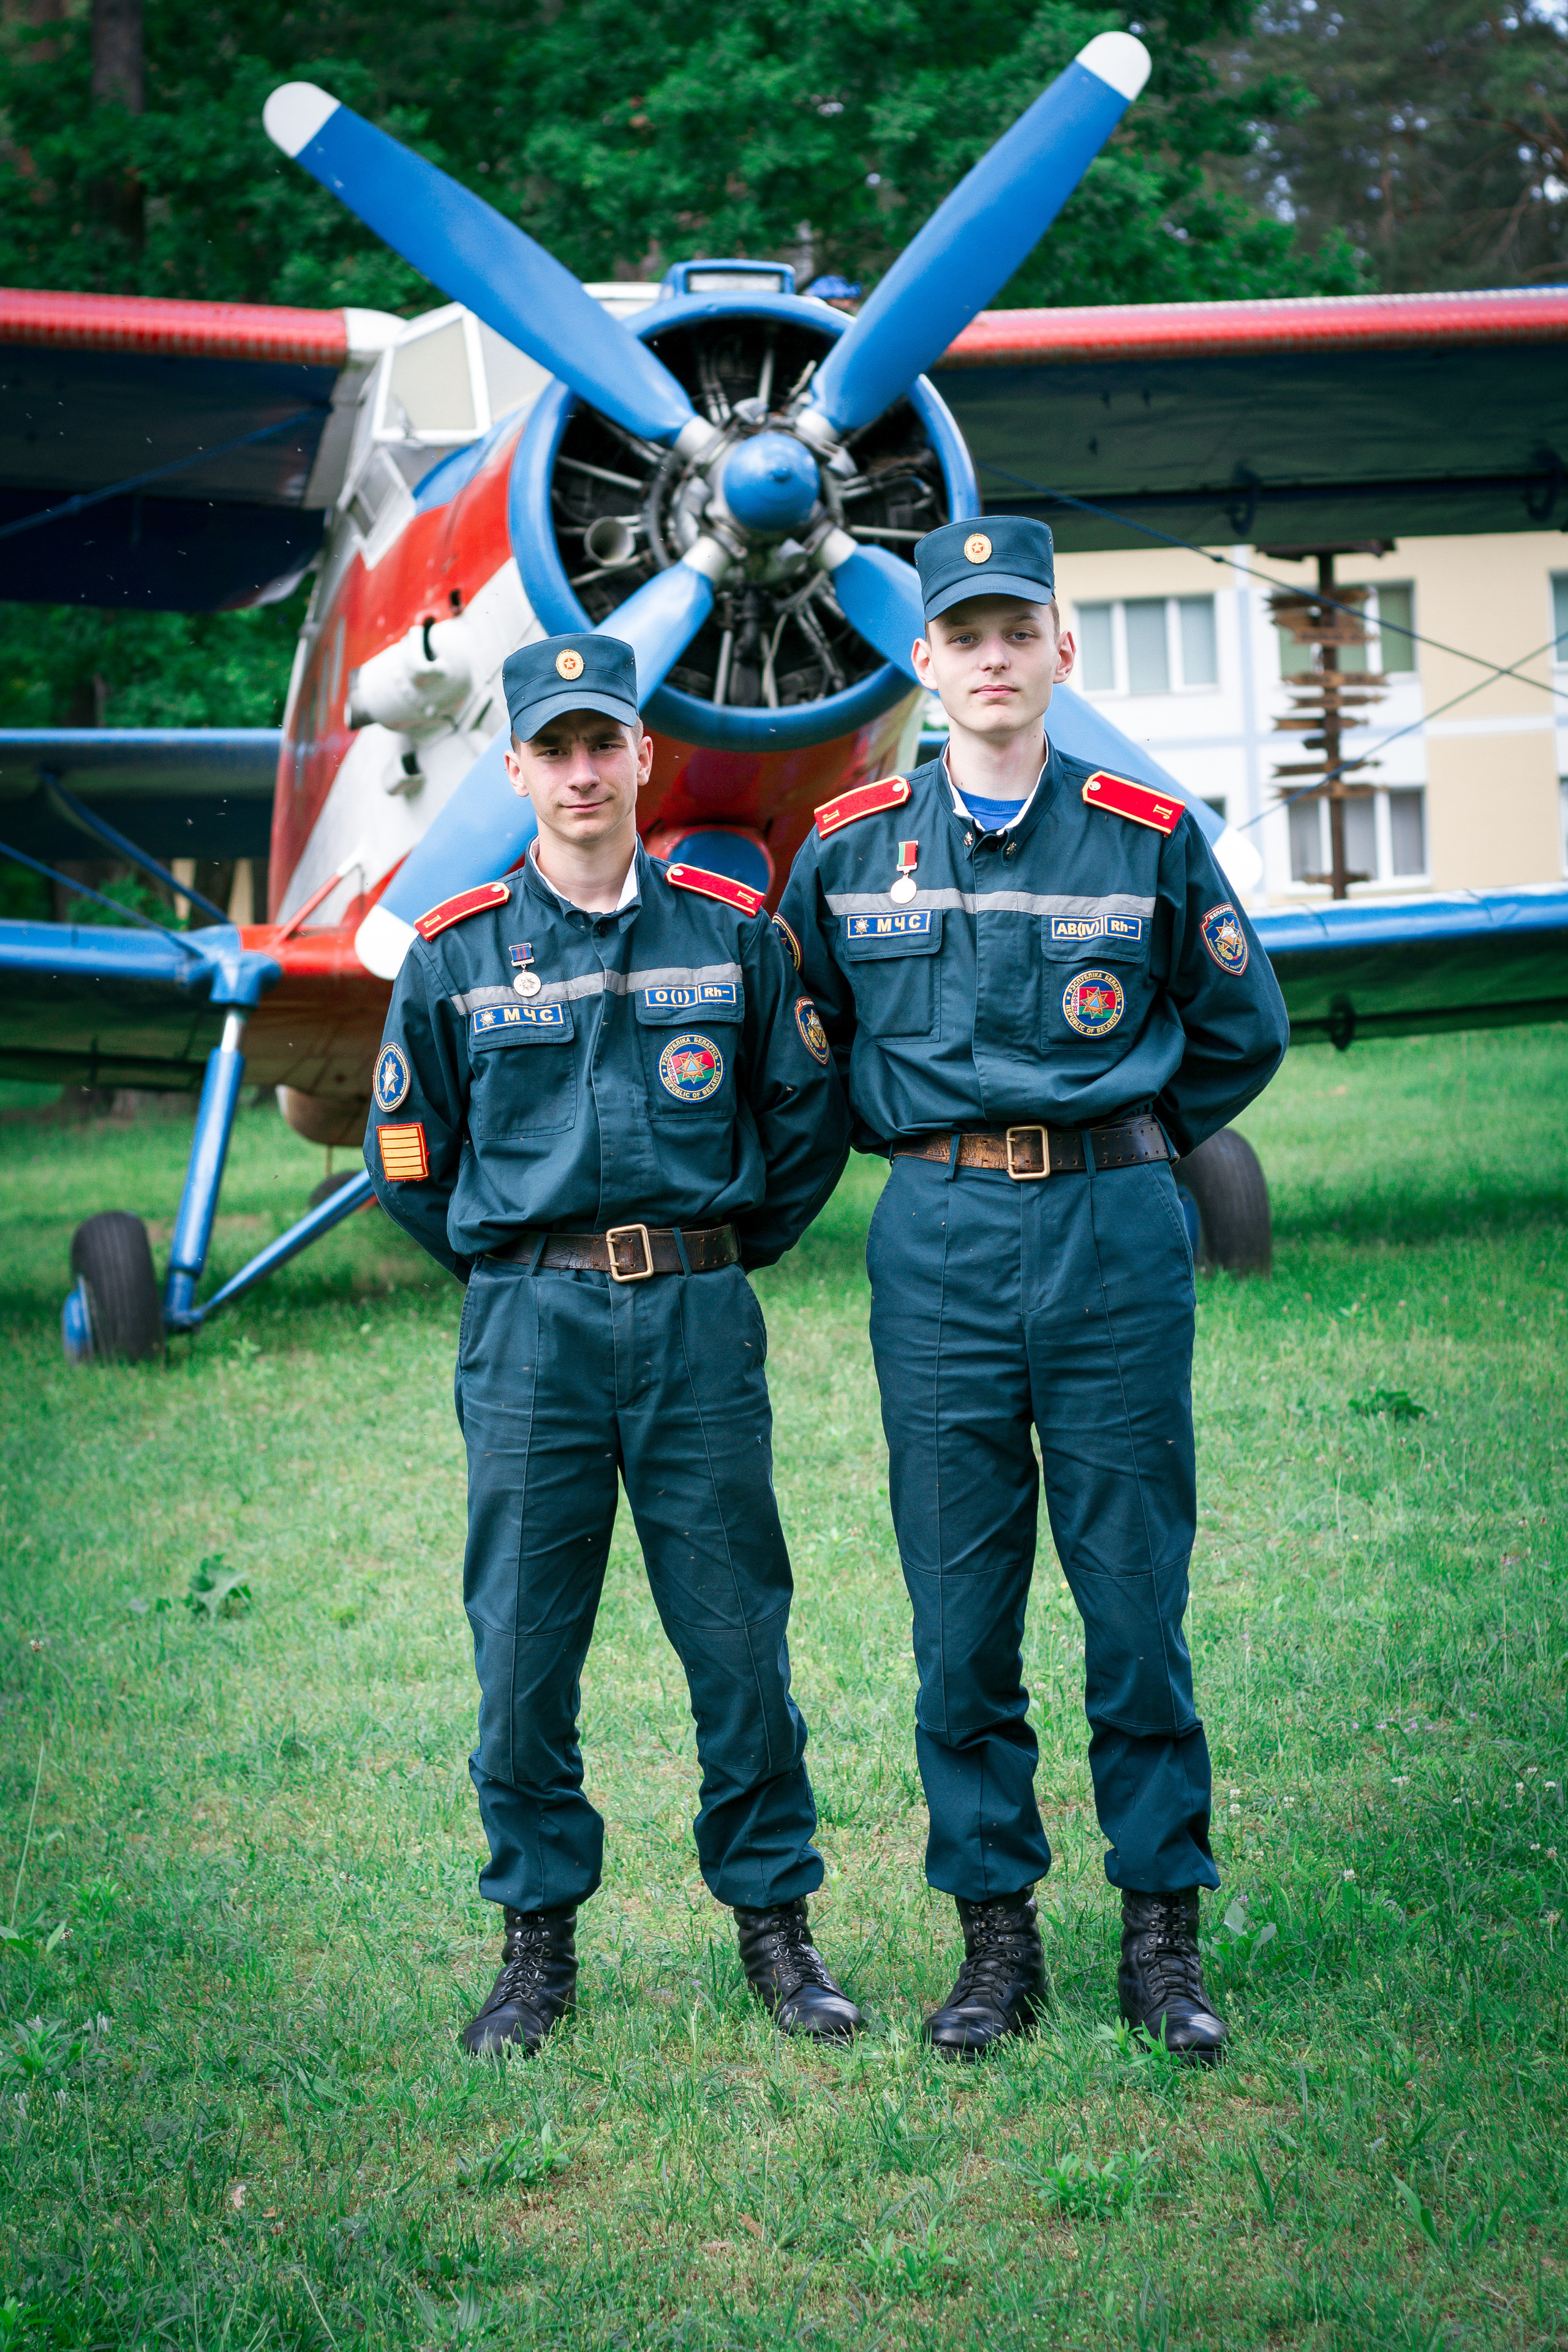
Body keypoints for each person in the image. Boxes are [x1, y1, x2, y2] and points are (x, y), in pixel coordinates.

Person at [774, 517, 1289, 2062]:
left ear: (1062, 651)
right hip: (932, 1241)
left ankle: (1161, 1940)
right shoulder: (849, 846)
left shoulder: (1143, 831)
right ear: (919, 663)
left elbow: (1239, 1025)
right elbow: (801, 1040)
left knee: (1133, 1595)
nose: (992, 659)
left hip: (1112, 1237)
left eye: (1019, 630)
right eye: (964, 636)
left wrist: (1130, 1145)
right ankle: (994, 1942)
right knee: (959, 1611)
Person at [366, 632, 862, 2058]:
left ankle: (775, 1928)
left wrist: (719, 1252)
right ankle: (535, 1949)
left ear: (644, 755)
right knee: (522, 1646)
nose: (583, 773)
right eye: (555, 748)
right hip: (529, 1329)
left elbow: (803, 1119)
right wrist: (511, 1263)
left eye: (606, 744)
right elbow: (406, 1154)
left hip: (699, 1322)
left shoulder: (730, 935)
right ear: (513, 765)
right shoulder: (456, 954)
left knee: (737, 1638)